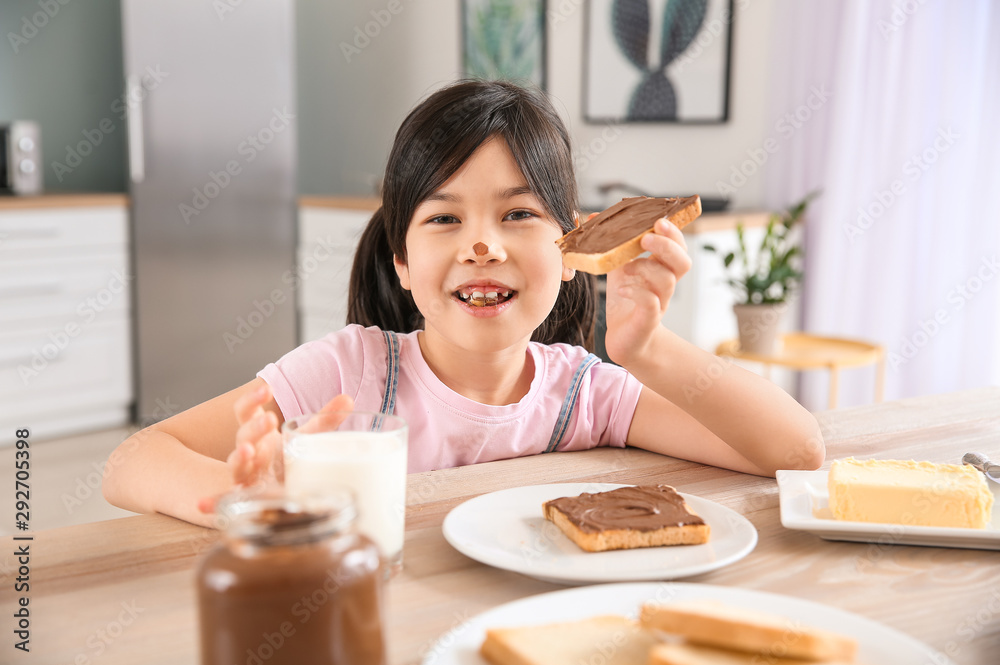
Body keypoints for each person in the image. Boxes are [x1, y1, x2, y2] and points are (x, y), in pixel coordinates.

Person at [103, 80, 824, 528]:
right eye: (445, 218)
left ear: (570, 248)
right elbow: (135, 459)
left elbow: (795, 451)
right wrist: (248, 495)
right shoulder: (351, 371)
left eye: (517, 215)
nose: (483, 245)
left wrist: (648, 349)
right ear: (404, 261)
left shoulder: (585, 390)